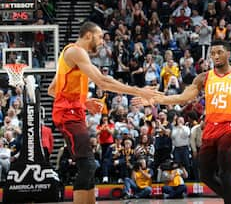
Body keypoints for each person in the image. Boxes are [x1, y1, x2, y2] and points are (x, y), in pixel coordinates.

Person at [133, 39, 231, 204]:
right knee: (205, 175)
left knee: (225, 171)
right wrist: (157, 99)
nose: (215, 56)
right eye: (212, 53)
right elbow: (182, 97)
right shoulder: (204, 77)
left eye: (219, 52)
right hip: (210, 128)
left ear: (228, 54)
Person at [47, 21, 159, 204]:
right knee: (88, 165)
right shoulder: (76, 51)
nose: (102, 42)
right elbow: (103, 81)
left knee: (90, 166)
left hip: (74, 113)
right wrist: (139, 91)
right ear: (89, 35)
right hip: (68, 116)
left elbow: (52, 89)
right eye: (100, 37)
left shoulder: (70, 55)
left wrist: (83, 102)